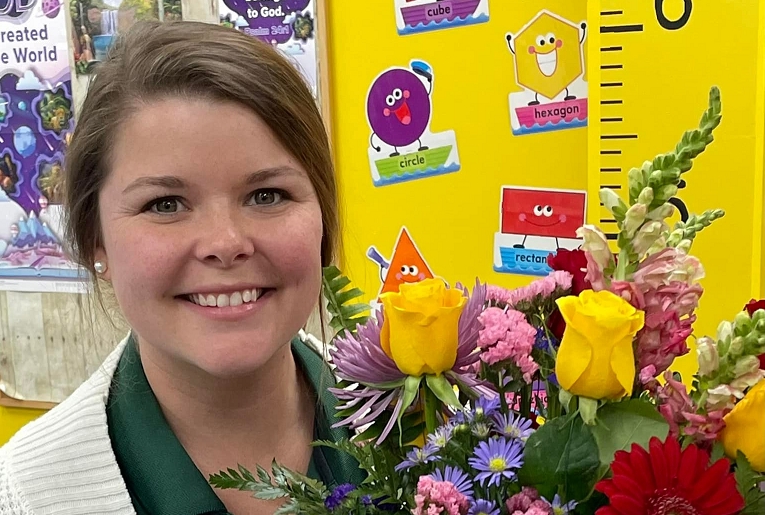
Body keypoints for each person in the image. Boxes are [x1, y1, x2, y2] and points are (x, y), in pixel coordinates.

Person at [0, 21, 362, 515]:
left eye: (267, 195)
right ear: (93, 239)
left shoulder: (434, 431)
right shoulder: (24, 497)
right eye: (166, 204)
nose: (226, 243)